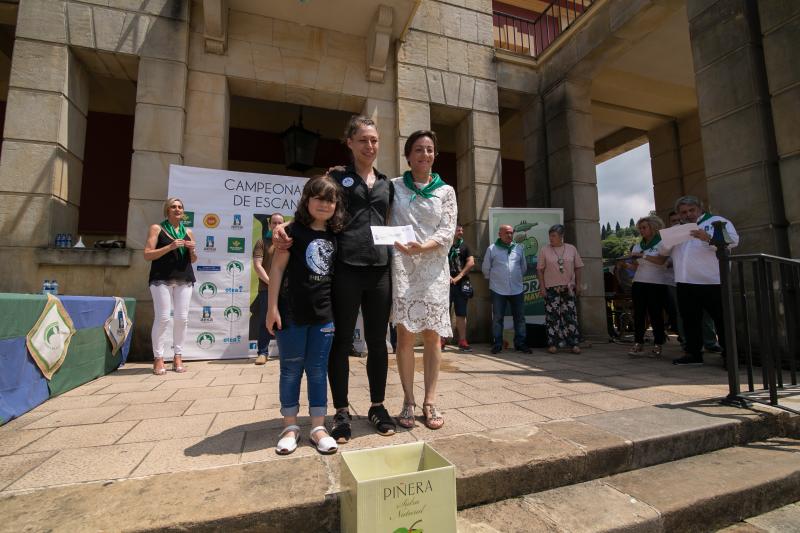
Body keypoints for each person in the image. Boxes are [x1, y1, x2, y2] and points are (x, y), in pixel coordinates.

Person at [273, 115, 396, 442]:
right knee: (340, 343)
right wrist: (282, 226)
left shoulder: (387, 183)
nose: (370, 145)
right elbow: (314, 207)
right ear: (350, 143)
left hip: (380, 269)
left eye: (374, 140)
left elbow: (391, 221)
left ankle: (377, 406)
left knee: (378, 343)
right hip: (344, 268)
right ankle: (341, 411)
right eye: (363, 140)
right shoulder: (336, 177)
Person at [266, 175, 345, 455]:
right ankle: (289, 427)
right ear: (306, 200)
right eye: (319, 198)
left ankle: (317, 427)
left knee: (317, 369)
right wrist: (271, 307)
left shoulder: (337, 235)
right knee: (290, 369)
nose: (325, 204)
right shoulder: (293, 232)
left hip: (324, 315)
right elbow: (276, 269)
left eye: (330, 199)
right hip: (291, 312)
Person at [391, 130, 457, 430]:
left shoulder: (446, 191)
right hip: (403, 269)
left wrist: (424, 246)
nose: (425, 155)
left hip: (433, 271)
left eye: (430, 149)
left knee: (432, 335)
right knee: (405, 335)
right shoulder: (393, 187)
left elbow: (446, 232)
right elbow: (382, 221)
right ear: (408, 155)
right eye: (419, 149)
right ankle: (408, 400)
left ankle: (430, 401)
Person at [658, 195, 739, 365]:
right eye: (683, 212)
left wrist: (707, 238)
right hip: (685, 282)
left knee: (721, 320)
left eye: (691, 210)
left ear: (700, 209)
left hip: (713, 281)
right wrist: (668, 242)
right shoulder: (677, 229)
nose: (688, 214)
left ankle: (730, 356)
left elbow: (733, 241)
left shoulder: (717, 221)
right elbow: (663, 252)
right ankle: (693, 354)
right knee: (690, 320)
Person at [144, 197, 197, 375]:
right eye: (173, 207)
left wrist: (192, 250)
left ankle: (178, 356)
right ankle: (158, 358)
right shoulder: (157, 229)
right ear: (167, 210)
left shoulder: (187, 231)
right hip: (161, 278)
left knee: (182, 318)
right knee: (163, 318)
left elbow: (194, 259)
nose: (177, 210)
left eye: (180, 207)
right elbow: (147, 254)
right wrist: (170, 247)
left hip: (184, 278)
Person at [483, 224, 532, 355]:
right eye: (507, 233)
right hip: (498, 289)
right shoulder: (492, 249)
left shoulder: (518, 248)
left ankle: (520, 343)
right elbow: (486, 269)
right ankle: (497, 344)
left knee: (520, 318)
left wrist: (514, 278)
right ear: (500, 234)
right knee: (498, 318)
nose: (510, 235)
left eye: (511, 233)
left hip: (517, 289)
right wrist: (496, 279)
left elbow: (523, 268)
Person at [536, 224, 584, 354]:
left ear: (561, 236)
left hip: (568, 288)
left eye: (553, 235)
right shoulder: (544, 250)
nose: (551, 238)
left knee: (570, 316)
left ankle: (573, 343)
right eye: (550, 235)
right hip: (551, 289)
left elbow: (578, 267)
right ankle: (553, 344)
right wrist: (542, 287)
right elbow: (540, 270)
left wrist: (578, 284)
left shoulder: (571, 249)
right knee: (552, 317)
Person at [628, 216, 669, 357]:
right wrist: (625, 263)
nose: (641, 230)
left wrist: (643, 255)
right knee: (638, 314)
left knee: (655, 314)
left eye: (644, 227)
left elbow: (661, 261)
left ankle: (658, 343)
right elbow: (635, 267)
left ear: (653, 227)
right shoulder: (639, 245)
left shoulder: (662, 243)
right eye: (640, 228)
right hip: (639, 281)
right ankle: (638, 342)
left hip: (656, 283)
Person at [252, 212, 285, 365]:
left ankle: (287, 352)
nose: (277, 225)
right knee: (265, 321)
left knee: (287, 321)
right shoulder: (261, 242)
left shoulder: (288, 243)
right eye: (274, 223)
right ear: (270, 225)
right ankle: (262, 353)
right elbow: (258, 266)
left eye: (280, 222)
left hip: (286, 290)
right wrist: (272, 283)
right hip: (266, 289)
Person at [446, 224, 475, 352]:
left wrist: (458, 277)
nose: (461, 232)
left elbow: (471, 262)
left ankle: (462, 340)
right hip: (445, 284)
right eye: (458, 230)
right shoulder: (446, 245)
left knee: (461, 313)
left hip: (461, 284)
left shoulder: (465, 246)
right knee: (443, 312)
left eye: (462, 230)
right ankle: (441, 340)